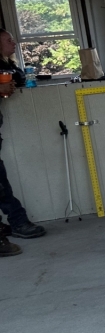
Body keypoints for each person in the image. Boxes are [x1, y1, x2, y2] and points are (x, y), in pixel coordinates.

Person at [0, 29, 46, 253]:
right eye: (8, 40)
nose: (14, 42)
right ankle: (17, 221)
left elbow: (18, 78)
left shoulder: (8, 64)